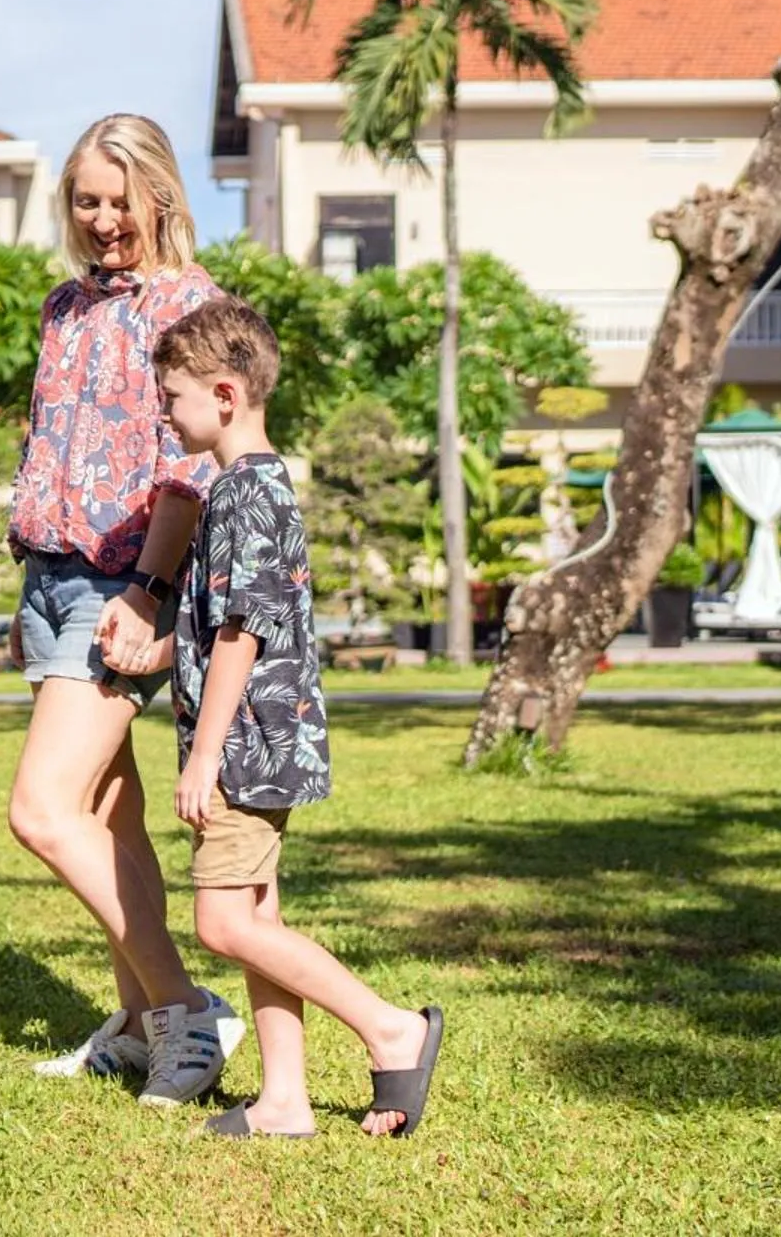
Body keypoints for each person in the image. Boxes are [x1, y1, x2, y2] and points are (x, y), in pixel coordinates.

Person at [152, 297, 444, 1138]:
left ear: (225, 394)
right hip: (265, 742)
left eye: (172, 397)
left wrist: (203, 758)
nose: (166, 414)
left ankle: (391, 1029)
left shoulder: (243, 494)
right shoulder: (255, 486)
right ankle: (284, 1099)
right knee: (259, 918)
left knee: (223, 921)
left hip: (243, 749)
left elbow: (243, 635)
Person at [5, 113, 244, 1106]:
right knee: (111, 816)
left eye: (122, 200)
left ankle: (189, 1015)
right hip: (51, 577)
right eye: (88, 202)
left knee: (41, 810)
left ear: (160, 194)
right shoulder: (64, 308)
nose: (106, 220)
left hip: (121, 586)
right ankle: (145, 1029)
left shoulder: (191, 304)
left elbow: (188, 470)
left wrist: (148, 593)